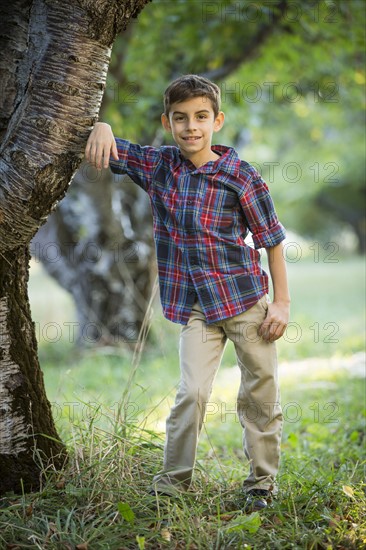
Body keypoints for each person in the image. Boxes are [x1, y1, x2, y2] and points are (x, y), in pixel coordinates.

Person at [85, 74, 290, 511]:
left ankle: (262, 483)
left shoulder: (240, 175)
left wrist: (282, 303)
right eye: (180, 119)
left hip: (246, 302)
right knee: (192, 393)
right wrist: (100, 126)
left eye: (200, 117)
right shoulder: (160, 166)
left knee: (260, 390)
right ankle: (173, 482)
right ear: (167, 123)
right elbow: (113, 147)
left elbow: (272, 240)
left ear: (217, 120)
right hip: (196, 306)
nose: (191, 127)